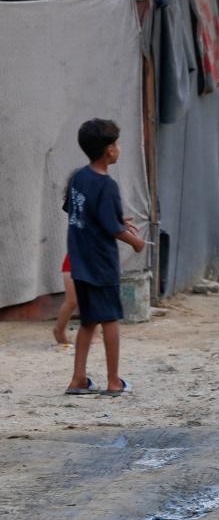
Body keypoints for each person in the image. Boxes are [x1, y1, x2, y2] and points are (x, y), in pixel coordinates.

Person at [63, 119, 146, 396]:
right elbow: (113, 229)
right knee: (109, 320)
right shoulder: (106, 185)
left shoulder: (78, 177)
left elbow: (79, 211)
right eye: (117, 144)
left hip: (80, 262)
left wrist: (114, 216)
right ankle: (113, 381)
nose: (119, 148)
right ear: (109, 151)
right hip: (100, 264)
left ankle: (78, 378)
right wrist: (136, 242)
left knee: (88, 321)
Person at [53, 253, 77, 346]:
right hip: (74, 263)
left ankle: (95, 334)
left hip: (96, 262)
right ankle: (59, 330)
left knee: (94, 300)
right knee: (72, 301)